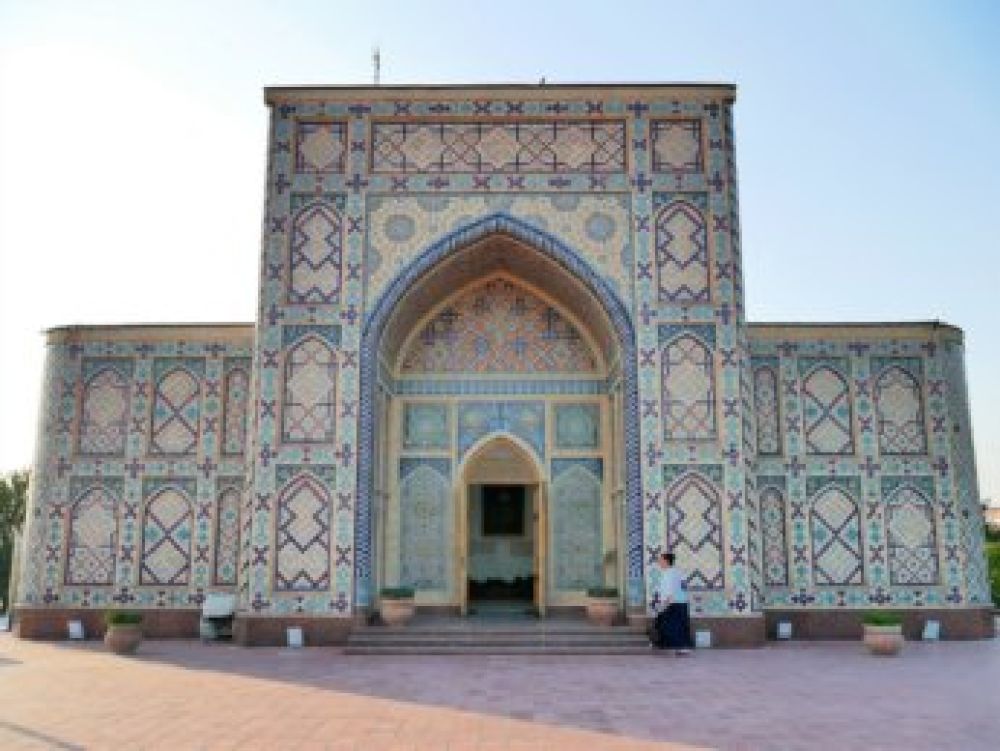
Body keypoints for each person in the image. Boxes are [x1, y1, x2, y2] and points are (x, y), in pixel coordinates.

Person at [651, 552, 693, 656]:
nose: (659, 562)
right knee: (678, 625)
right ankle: (681, 647)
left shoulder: (668, 574)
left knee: (669, 626)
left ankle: (676, 646)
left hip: (672, 603)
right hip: (681, 602)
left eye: (660, 560)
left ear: (666, 561)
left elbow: (669, 590)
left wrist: (664, 605)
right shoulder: (678, 572)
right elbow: (684, 586)